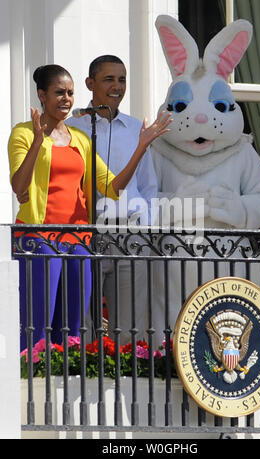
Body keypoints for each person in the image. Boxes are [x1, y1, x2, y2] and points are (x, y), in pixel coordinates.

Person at [9, 64, 171, 350]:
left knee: (74, 329)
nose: (66, 99)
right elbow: (19, 187)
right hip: (38, 238)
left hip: (78, 239)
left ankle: (66, 386)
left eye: (70, 93)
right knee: (38, 322)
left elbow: (111, 187)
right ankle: (30, 384)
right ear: (42, 95)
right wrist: (37, 142)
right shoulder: (22, 133)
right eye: (59, 92)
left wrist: (141, 146)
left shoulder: (80, 139)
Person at [66, 55, 159, 344]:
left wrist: (145, 232)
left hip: (130, 238)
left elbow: (148, 186)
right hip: (85, 236)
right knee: (83, 325)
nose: (117, 86)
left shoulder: (136, 129)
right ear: (90, 83)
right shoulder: (71, 128)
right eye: (109, 79)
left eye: (122, 79)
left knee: (130, 331)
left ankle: (126, 389)